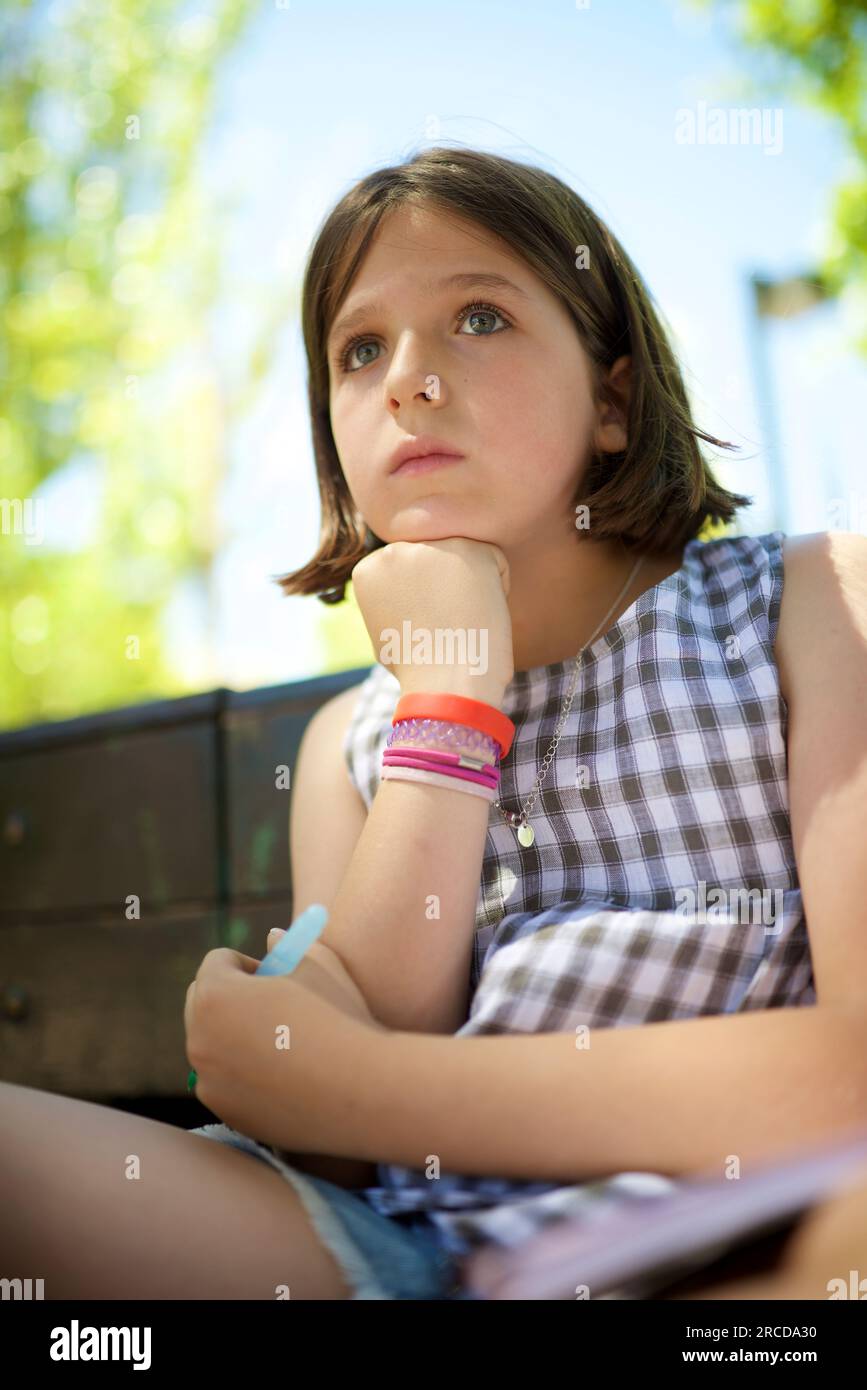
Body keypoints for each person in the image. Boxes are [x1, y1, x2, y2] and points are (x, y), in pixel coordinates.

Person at [3, 145, 865, 1301]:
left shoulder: (811, 602)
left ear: (611, 401)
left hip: (743, 1221)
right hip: (400, 1250)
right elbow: (333, 1153)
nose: (409, 377)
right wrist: (450, 703)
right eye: (361, 349)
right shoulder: (349, 744)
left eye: (478, 318)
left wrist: (356, 1080)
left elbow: (855, 1077)